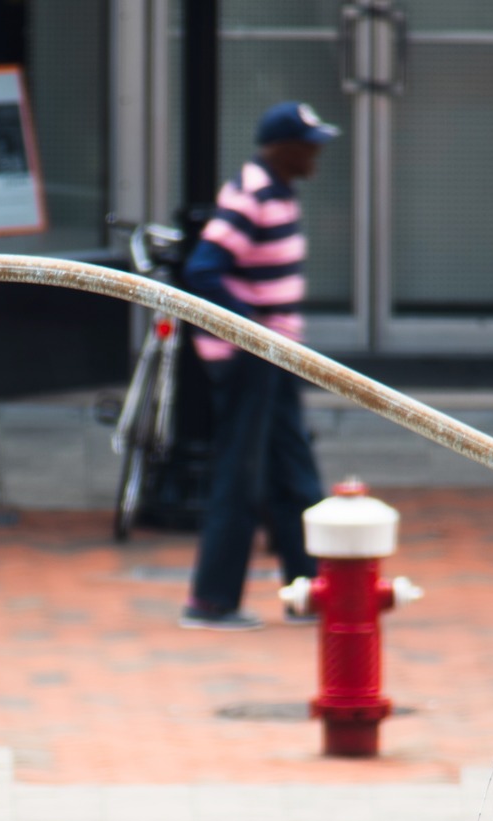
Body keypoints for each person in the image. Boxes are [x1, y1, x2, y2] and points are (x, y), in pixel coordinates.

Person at [178, 101, 337, 631]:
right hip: (252, 358)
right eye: (309, 144)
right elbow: (203, 270)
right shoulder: (253, 194)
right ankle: (211, 601)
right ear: (283, 148)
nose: (317, 154)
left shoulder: (278, 191)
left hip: (275, 357)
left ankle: (311, 591)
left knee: (292, 472)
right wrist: (251, 328)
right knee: (241, 476)